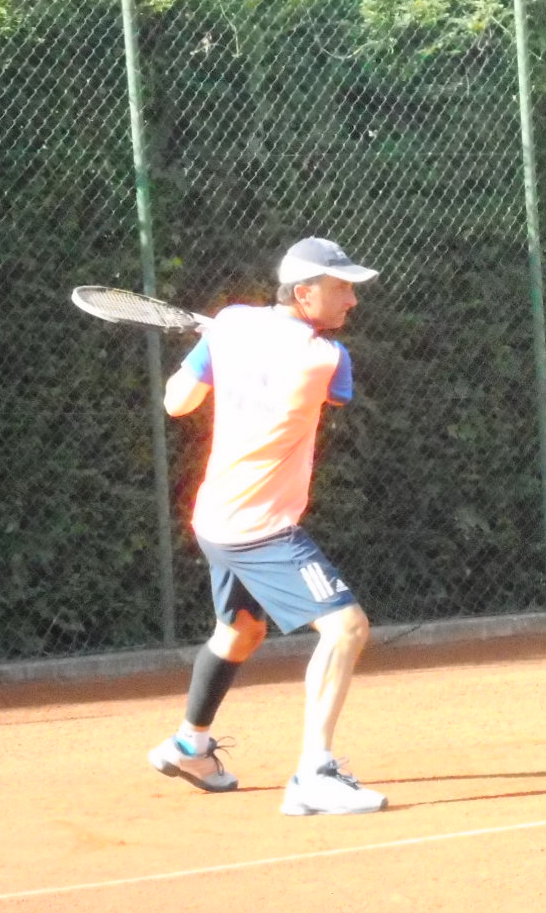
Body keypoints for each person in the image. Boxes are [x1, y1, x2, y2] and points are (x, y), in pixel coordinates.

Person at [147, 236, 386, 816]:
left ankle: (189, 746)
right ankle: (314, 775)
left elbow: (177, 401)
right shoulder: (328, 358)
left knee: (241, 631)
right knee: (346, 628)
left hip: (216, 516)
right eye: (341, 287)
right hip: (261, 526)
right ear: (304, 293)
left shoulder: (231, 324)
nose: (352, 300)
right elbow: (332, 395)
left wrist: (219, 344)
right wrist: (241, 341)